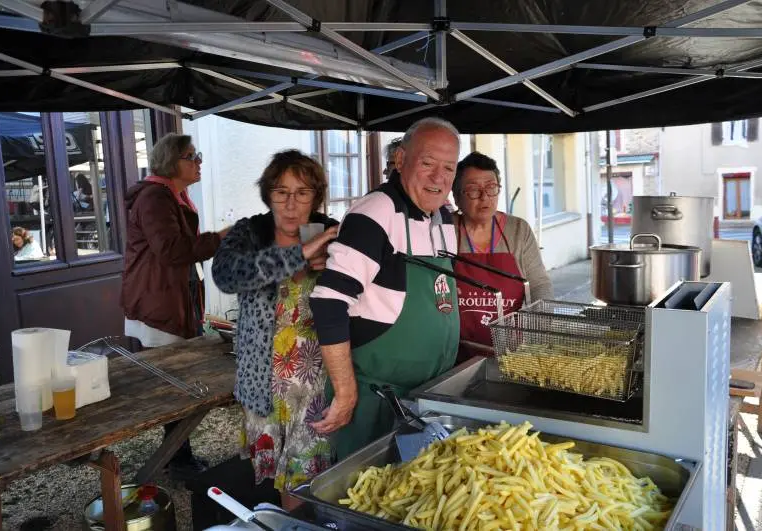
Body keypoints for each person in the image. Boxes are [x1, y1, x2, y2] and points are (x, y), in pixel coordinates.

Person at [310, 117, 461, 460]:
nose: (439, 178)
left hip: (428, 395)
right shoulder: (376, 212)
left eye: (449, 168)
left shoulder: (444, 218)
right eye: (428, 163)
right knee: (367, 494)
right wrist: (346, 392)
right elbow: (329, 302)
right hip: (376, 399)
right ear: (401, 160)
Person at [212, 150, 338, 509]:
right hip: (263, 379)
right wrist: (297, 255)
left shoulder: (332, 233)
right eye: (281, 192)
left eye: (302, 192)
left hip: (317, 380)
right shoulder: (251, 232)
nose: (291, 203)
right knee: (280, 478)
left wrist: (333, 264)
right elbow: (226, 274)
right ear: (268, 194)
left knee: (309, 477)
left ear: (316, 196)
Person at [120, 133, 228, 479]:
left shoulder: (170, 195)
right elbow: (173, 250)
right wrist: (221, 238)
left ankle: (176, 457)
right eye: (192, 156)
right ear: (172, 161)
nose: (198, 162)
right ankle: (177, 460)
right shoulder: (155, 197)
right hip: (158, 305)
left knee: (177, 384)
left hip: (167, 299)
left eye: (198, 156)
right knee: (174, 386)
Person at [452, 151, 552, 363]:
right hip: (456, 351)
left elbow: (539, 284)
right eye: (473, 190)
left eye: (491, 187)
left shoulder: (518, 230)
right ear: (456, 196)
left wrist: (538, 333)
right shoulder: (445, 229)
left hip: (511, 351)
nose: (484, 197)